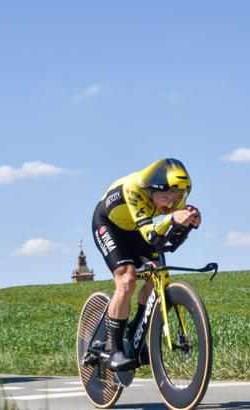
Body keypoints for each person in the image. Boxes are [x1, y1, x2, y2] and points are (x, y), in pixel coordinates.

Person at [92, 158, 201, 371]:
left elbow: (164, 237)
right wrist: (172, 220)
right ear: (150, 189)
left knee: (156, 273)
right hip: (109, 226)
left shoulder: (175, 198)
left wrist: (188, 224)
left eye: (177, 196)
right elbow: (150, 234)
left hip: (137, 229)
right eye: (166, 196)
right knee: (127, 279)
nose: (171, 203)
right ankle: (115, 350)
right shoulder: (133, 189)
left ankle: (135, 333)